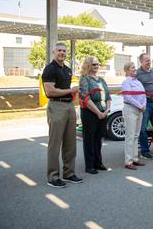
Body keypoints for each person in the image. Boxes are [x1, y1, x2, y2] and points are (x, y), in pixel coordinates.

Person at [42, 42, 82, 188]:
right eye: (59, 50)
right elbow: (50, 91)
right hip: (56, 106)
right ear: (54, 51)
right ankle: (53, 176)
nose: (62, 53)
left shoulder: (67, 70)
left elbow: (66, 89)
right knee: (55, 143)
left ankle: (69, 173)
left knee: (70, 142)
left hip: (69, 106)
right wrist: (70, 91)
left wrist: (71, 95)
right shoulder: (50, 69)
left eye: (64, 51)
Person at [79, 56, 111, 174]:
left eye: (97, 64)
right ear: (88, 65)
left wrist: (106, 110)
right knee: (89, 139)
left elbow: (108, 96)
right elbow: (86, 98)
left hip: (103, 112)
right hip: (90, 113)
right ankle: (90, 165)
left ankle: (98, 162)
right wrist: (98, 113)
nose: (96, 66)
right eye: (93, 64)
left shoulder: (101, 79)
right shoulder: (84, 79)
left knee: (98, 138)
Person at [121, 62, 147, 170]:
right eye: (132, 68)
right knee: (130, 136)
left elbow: (144, 94)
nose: (134, 69)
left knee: (136, 135)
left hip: (139, 110)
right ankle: (128, 161)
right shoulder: (126, 82)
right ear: (127, 71)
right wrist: (139, 106)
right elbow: (128, 97)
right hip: (130, 110)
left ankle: (135, 158)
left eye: (134, 68)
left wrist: (143, 105)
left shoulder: (138, 82)